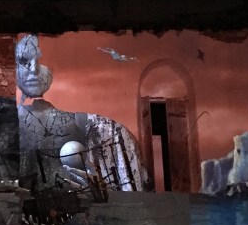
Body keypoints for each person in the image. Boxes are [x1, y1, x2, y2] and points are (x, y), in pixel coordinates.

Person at [15, 34, 150, 191]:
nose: (34, 69)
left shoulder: (107, 130)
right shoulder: (5, 128)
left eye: (40, 61)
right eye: (24, 62)